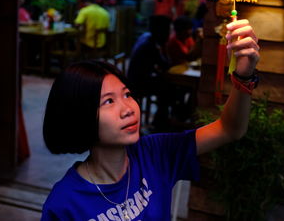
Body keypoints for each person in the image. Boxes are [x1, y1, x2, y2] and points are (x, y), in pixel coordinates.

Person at [41, 18, 260, 220]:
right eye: (109, 101)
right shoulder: (63, 204)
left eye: (127, 95)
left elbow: (230, 129)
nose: (128, 108)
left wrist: (243, 76)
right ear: (79, 115)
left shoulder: (155, 154)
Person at [127, 15, 172, 130]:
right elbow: (165, 65)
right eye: (168, 30)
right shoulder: (150, 46)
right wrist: (165, 48)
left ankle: (161, 120)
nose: (169, 34)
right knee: (167, 89)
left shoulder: (146, 37)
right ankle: (160, 123)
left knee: (166, 85)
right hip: (138, 84)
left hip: (133, 79)